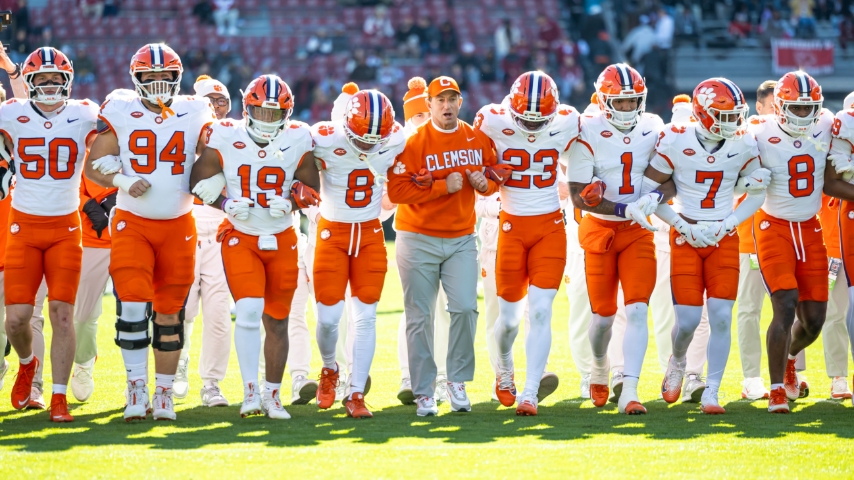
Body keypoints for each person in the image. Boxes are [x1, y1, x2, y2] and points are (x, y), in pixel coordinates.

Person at [86, 43, 216, 421]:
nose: (158, 83)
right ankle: (136, 388)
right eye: (150, 76)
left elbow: (217, 154)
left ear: (177, 77)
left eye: (165, 76)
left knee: (170, 313)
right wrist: (123, 181)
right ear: (136, 78)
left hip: (178, 223)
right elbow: (95, 166)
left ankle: (163, 392)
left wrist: (218, 176)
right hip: (133, 222)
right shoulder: (121, 108)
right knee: (130, 306)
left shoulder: (195, 109)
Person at [190, 74, 319, 419]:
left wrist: (292, 203)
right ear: (247, 108)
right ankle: (250, 391)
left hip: (282, 237)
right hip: (240, 234)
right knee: (247, 312)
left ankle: (272, 394)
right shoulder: (226, 133)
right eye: (260, 112)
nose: (266, 120)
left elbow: (311, 187)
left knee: (278, 320)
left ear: (287, 114)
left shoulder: (299, 137)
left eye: (274, 114)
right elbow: (196, 180)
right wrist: (223, 203)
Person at [646, 78, 769, 414]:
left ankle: (712, 390)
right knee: (686, 321)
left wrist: (728, 222)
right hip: (686, 233)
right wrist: (681, 225)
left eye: (735, 116)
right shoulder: (674, 138)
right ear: (702, 113)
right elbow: (649, 192)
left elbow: (757, 192)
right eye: (724, 116)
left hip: (723, 235)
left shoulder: (743, 142)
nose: (733, 123)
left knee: (720, 317)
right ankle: (679, 360)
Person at [388, 76, 500, 416]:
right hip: (417, 237)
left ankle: (457, 380)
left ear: (460, 102)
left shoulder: (475, 138)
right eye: (440, 100)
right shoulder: (414, 141)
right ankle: (423, 390)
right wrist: (441, 186)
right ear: (429, 103)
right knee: (419, 317)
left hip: (461, 237)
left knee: (465, 308)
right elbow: (396, 192)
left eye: (452, 99)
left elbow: (492, 178)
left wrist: (485, 184)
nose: (446, 105)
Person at [2, 47, 99, 422]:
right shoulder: (12, 113)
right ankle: (27, 363)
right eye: (40, 79)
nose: (48, 84)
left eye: (55, 78)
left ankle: (58, 397)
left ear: (67, 81)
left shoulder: (84, 114)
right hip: (23, 226)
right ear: (28, 83)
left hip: (65, 227)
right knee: (16, 320)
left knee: (62, 314)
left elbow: (120, 133)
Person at [566, 63, 666, 415]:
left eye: (631, 101)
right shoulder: (587, 128)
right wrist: (625, 208)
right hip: (600, 228)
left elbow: (668, 174)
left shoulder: (653, 126)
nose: (626, 108)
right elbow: (578, 194)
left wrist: (654, 199)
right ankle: (598, 366)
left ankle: (630, 388)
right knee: (604, 317)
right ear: (604, 100)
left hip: (638, 231)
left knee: (638, 310)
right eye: (619, 102)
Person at [474, 72, 573, 415]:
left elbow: (588, 164)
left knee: (542, 311)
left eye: (539, 120)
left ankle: (530, 391)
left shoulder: (568, 121)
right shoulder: (491, 120)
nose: (532, 127)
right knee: (510, 319)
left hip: (549, 228)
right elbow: (478, 179)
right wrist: (488, 177)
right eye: (525, 120)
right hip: (511, 229)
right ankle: (504, 368)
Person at [310, 85, 406, 418]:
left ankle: (355, 392)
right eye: (362, 136)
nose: (368, 144)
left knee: (365, 318)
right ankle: (329, 368)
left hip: (369, 233)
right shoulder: (323, 136)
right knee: (328, 320)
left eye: (374, 138)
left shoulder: (396, 138)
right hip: (332, 232)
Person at [748, 71, 831, 413]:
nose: (803, 115)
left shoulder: (826, 123)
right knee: (783, 304)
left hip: (811, 227)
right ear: (779, 106)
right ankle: (777, 389)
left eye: (808, 108)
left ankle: (790, 359)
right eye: (795, 108)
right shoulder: (758, 131)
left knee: (814, 320)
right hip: (774, 226)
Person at [176, 75, 233, 407]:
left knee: (218, 312)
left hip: (221, 227)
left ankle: (211, 382)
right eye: (209, 101)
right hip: (185, 223)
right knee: (182, 308)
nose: (216, 106)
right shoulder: (180, 133)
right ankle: (177, 365)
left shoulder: (237, 134)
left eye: (221, 100)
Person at [395, 77, 452, 405]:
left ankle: (442, 377)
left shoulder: (453, 137)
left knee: (446, 311)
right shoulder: (401, 143)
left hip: (451, 233)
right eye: (415, 116)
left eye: (424, 114)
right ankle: (410, 374)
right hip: (414, 232)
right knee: (415, 309)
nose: (421, 121)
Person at [736, 81, 776, 400]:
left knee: (790, 307)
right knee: (749, 309)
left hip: (787, 234)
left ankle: (788, 372)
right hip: (750, 234)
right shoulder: (746, 134)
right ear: (759, 106)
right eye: (773, 106)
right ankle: (751, 377)